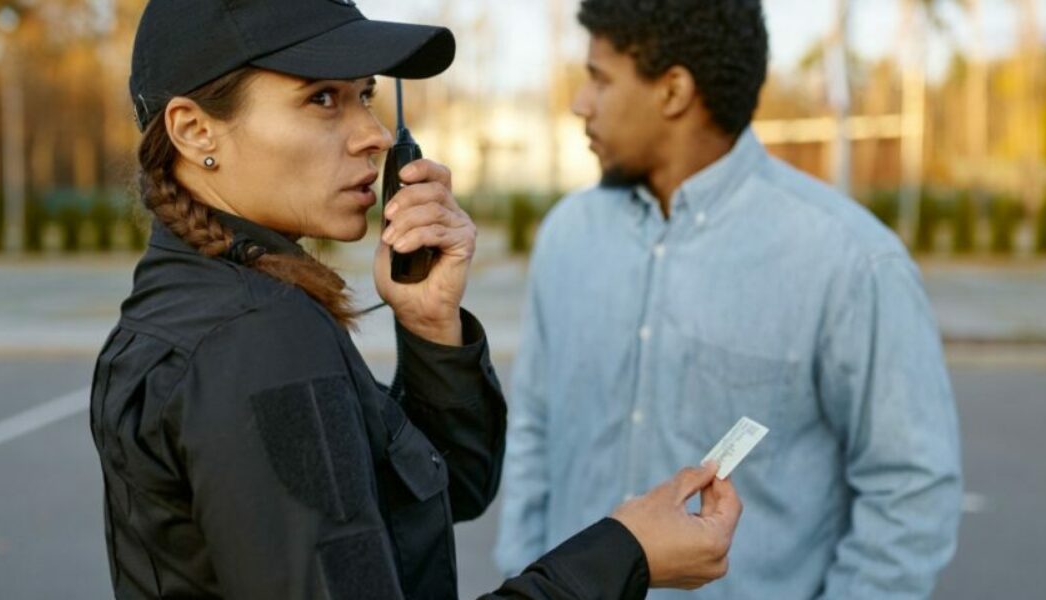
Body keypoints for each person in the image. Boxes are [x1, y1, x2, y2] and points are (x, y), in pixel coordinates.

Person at [90, 1, 742, 599]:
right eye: (321, 98)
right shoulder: (258, 338)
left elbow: (434, 492)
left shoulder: (196, 300)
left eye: (365, 96)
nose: (373, 135)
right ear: (194, 130)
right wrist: (624, 553)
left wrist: (430, 324)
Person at [494, 1, 964, 598]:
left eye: (600, 78)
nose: (580, 103)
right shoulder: (566, 238)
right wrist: (522, 572)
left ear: (674, 91)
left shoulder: (849, 261)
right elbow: (535, 430)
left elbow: (910, 490)